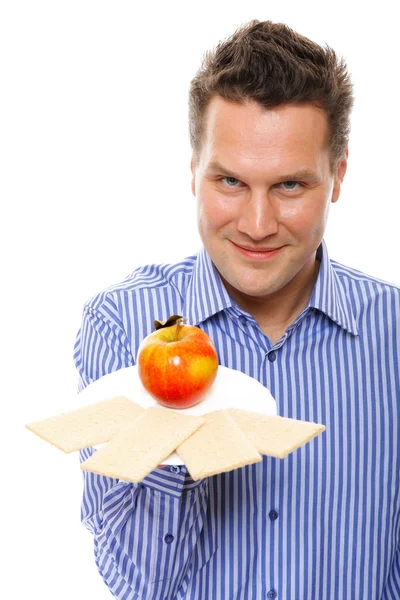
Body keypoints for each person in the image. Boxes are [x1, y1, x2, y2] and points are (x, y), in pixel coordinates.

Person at [73, 20, 400, 600]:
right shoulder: (123, 327)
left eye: (291, 186)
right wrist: (168, 441)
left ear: (338, 177)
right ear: (193, 170)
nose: (256, 225)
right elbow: (138, 583)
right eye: (230, 180)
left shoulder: (393, 335)